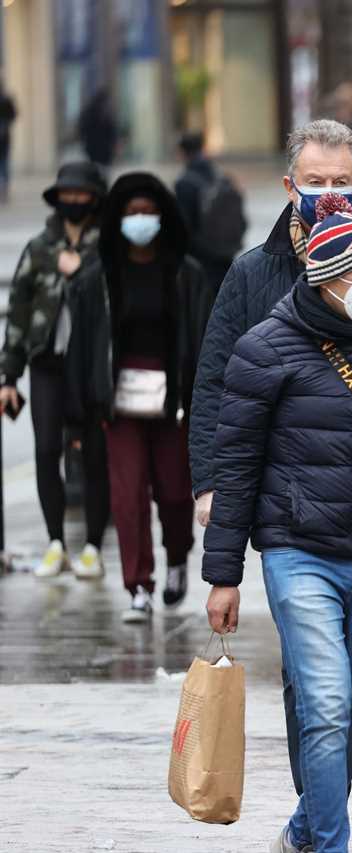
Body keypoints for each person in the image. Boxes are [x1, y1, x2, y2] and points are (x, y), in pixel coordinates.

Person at [188, 118, 352, 848]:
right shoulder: (252, 273)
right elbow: (214, 386)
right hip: (292, 508)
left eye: (341, 183)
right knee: (314, 685)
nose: (328, 194)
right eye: (315, 182)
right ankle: (321, 812)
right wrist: (212, 482)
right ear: (288, 185)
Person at [64, 173, 213, 620]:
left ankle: (176, 560)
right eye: (131, 213)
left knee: (172, 491)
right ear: (117, 220)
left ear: (163, 218)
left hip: (173, 403)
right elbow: (81, 348)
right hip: (119, 404)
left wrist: (204, 400)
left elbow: (205, 341)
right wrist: (79, 414)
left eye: (149, 212)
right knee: (127, 496)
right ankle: (138, 586)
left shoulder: (187, 276)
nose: (141, 220)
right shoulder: (97, 280)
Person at [0, 162, 111, 579]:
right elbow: (19, 313)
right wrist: (8, 376)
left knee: (94, 455)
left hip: (91, 366)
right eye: (68, 194)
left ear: (95, 199)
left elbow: (112, 296)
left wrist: (80, 270)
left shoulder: (107, 246)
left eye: (82, 195)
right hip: (45, 363)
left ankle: (94, 547)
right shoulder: (40, 246)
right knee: (47, 449)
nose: (75, 202)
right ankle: (55, 543)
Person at [174, 131, 248, 296]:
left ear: (182, 152)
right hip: (226, 253)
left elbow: (184, 225)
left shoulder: (184, 182)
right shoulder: (221, 177)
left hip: (200, 258)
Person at [78, 89, 118, 168]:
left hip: (93, 148)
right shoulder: (105, 112)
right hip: (102, 148)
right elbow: (111, 130)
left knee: (96, 169)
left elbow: (82, 129)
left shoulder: (89, 112)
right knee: (103, 170)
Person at [0, 86, 16, 204]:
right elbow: (14, 115)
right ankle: (4, 188)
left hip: (4, 136)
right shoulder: (6, 99)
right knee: (4, 162)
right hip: (5, 135)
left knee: (4, 162)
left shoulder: (6, 99)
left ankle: (3, 187)